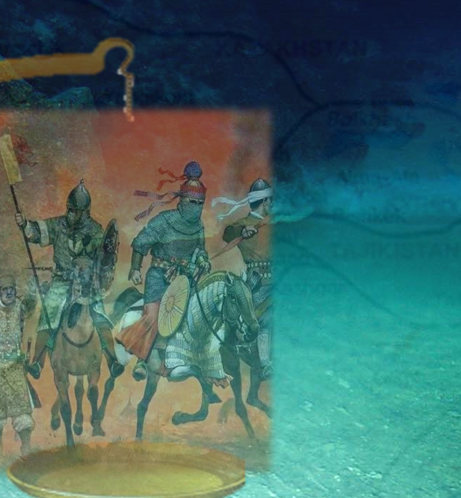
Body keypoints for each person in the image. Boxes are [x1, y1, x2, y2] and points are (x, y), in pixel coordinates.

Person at [16, 179, 122, 378]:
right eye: (70, 210)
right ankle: (38, 362)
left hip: (86, 282)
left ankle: (112, 360)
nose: (72, 214)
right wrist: (25, 224)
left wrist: (95, 278)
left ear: (86, 212)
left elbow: (104, 259)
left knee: (99, 316)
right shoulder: (58, 225)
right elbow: (36, 233)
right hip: (61, 280)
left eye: (77, 211)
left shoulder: (96, 231)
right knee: (49, 314)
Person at [118, 161, 212, 381]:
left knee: (194, 316)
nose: (196, 207)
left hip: (184, 280)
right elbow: (141, 242)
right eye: (193, 202)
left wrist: (202, 260)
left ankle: (186, 359)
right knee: (153, 316)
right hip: (159, 276)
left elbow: (200, 249)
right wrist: (135, 268)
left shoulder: (198, 226)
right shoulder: (164, 220)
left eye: (200, 203)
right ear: (182, 199)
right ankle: (142, 360)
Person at [217, 177, 274, 380]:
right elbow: (227, 233)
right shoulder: (243, 224)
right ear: (265, 201)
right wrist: (242, 231)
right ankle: (265, 364)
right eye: (271, 201)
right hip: (258, 283)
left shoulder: (272, 223)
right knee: (267, 318)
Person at [0, 274, 36, 456]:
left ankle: (26, 450)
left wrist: (33, 289)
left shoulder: (19, 307)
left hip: (15, 366)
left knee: (22, 410)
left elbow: (30, 305)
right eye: (5, 290)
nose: (9, 293)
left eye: (12, 289)